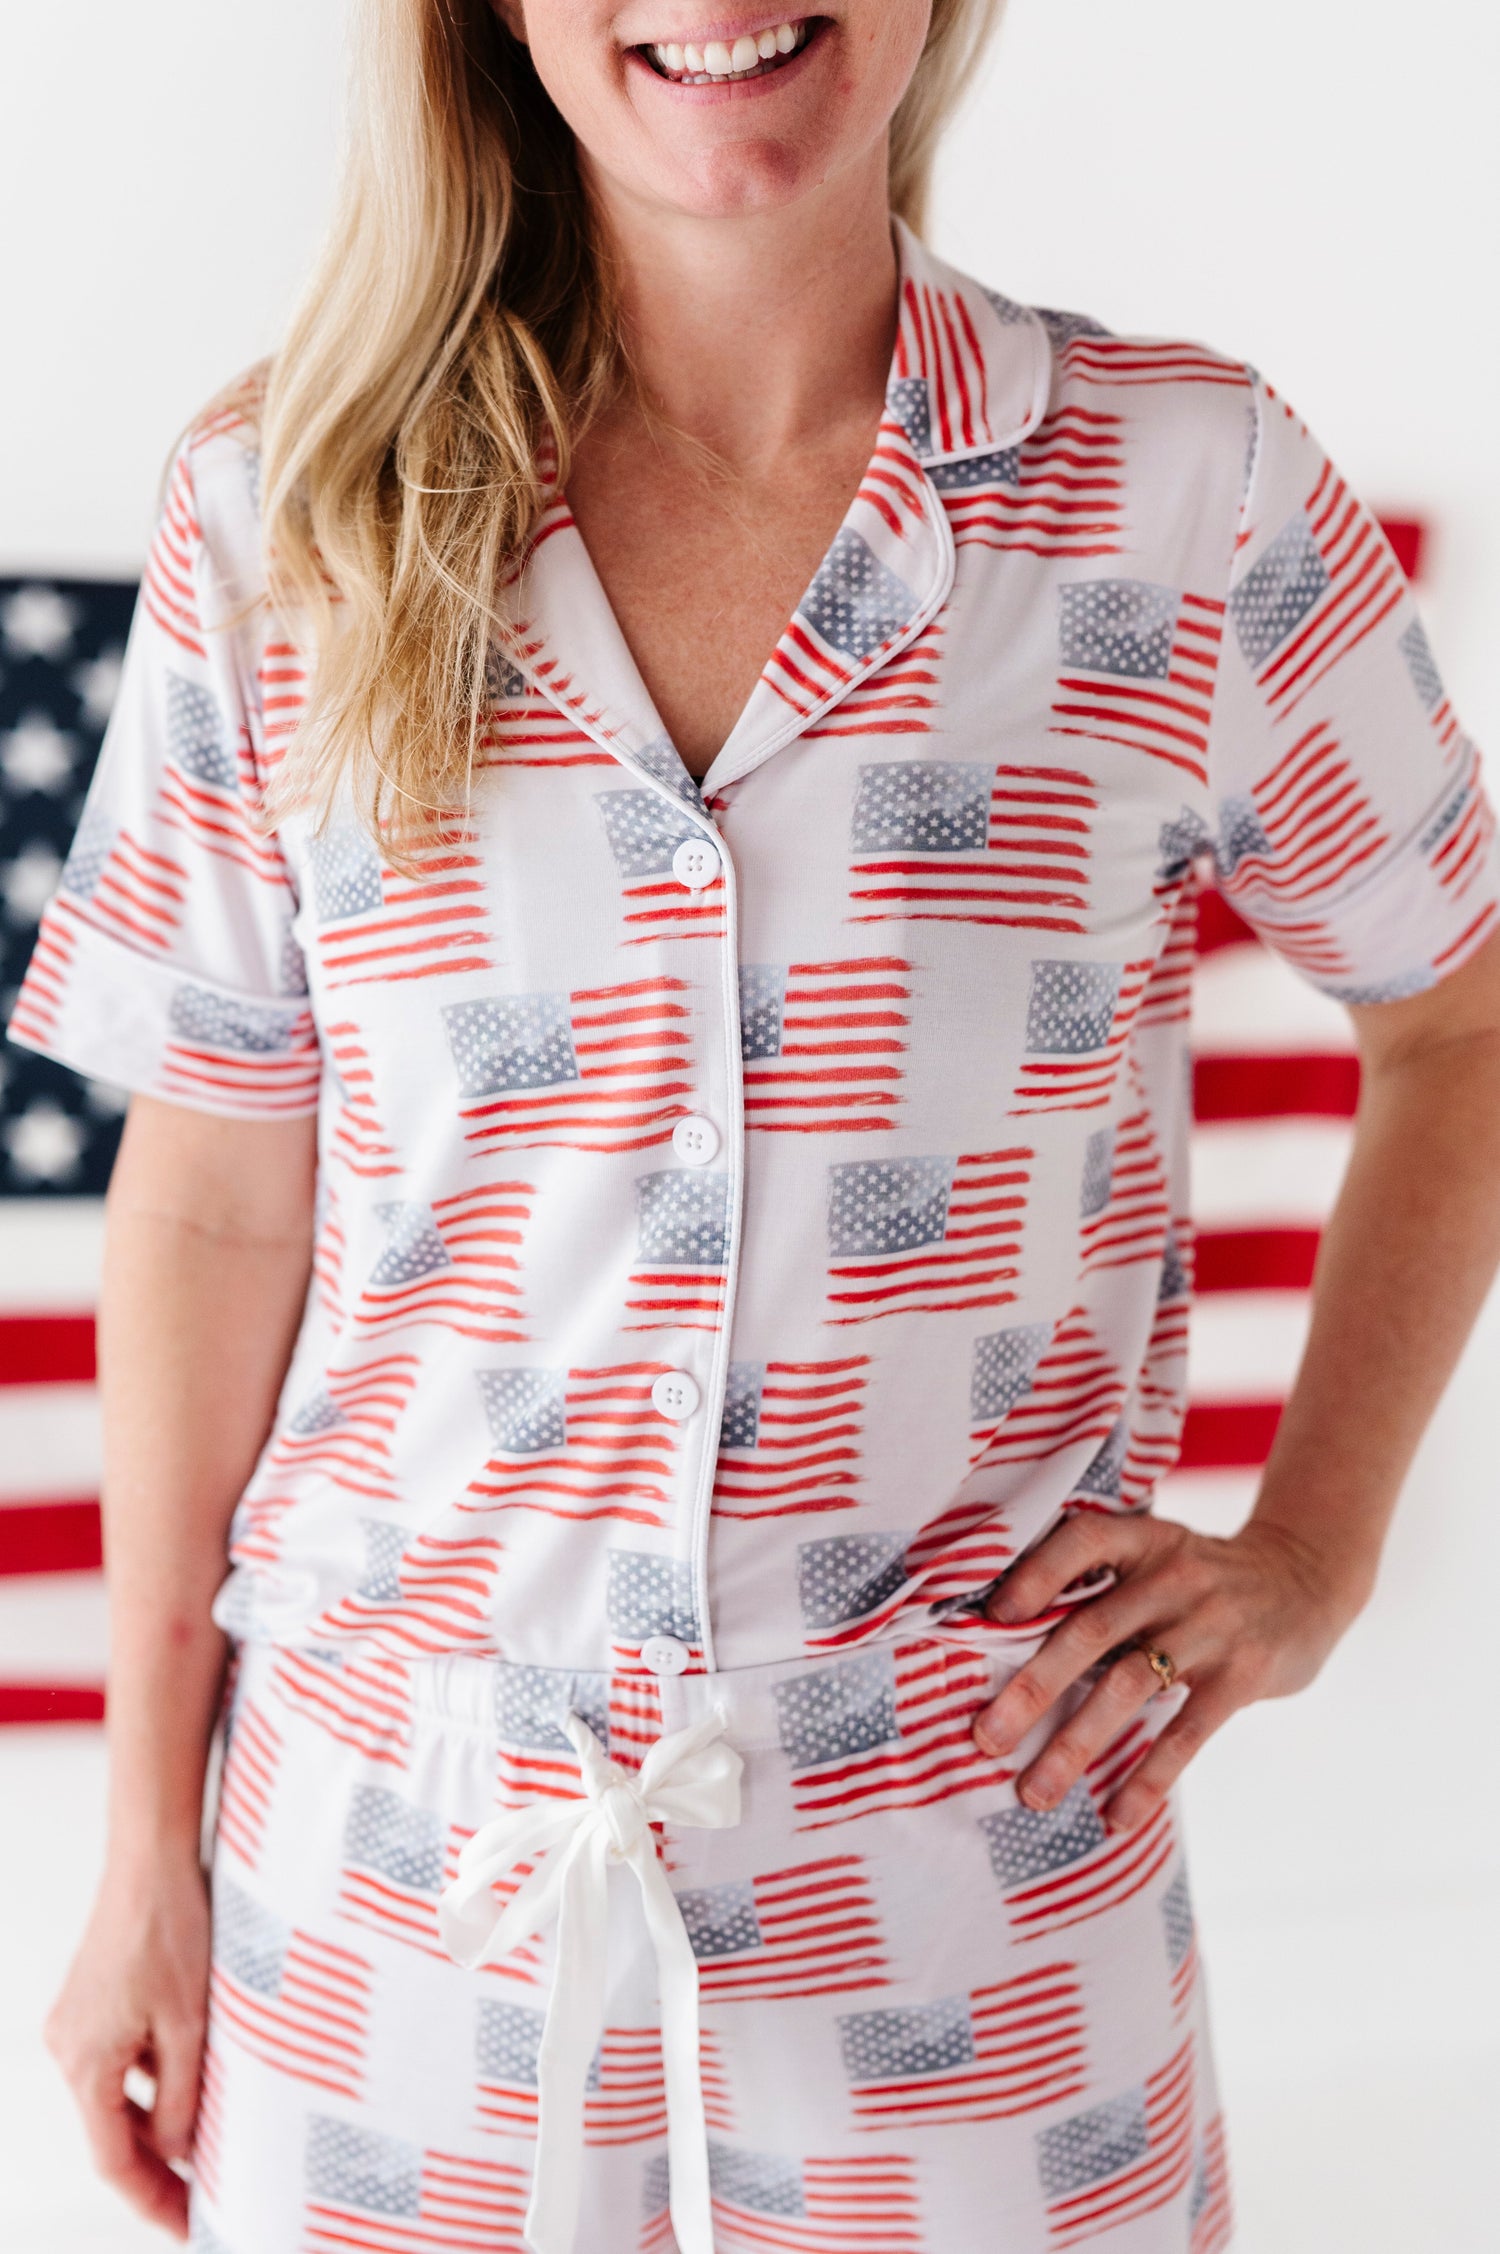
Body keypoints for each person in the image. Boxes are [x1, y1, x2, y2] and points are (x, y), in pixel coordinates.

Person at [10, 1, 1500, 2248]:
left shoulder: (1184, 494)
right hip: (396, 1902)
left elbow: (1461, 1011)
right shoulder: (284, 505)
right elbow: (215, 1198)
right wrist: (144, 1848)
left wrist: (1316, 1551)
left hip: (979, 1894)